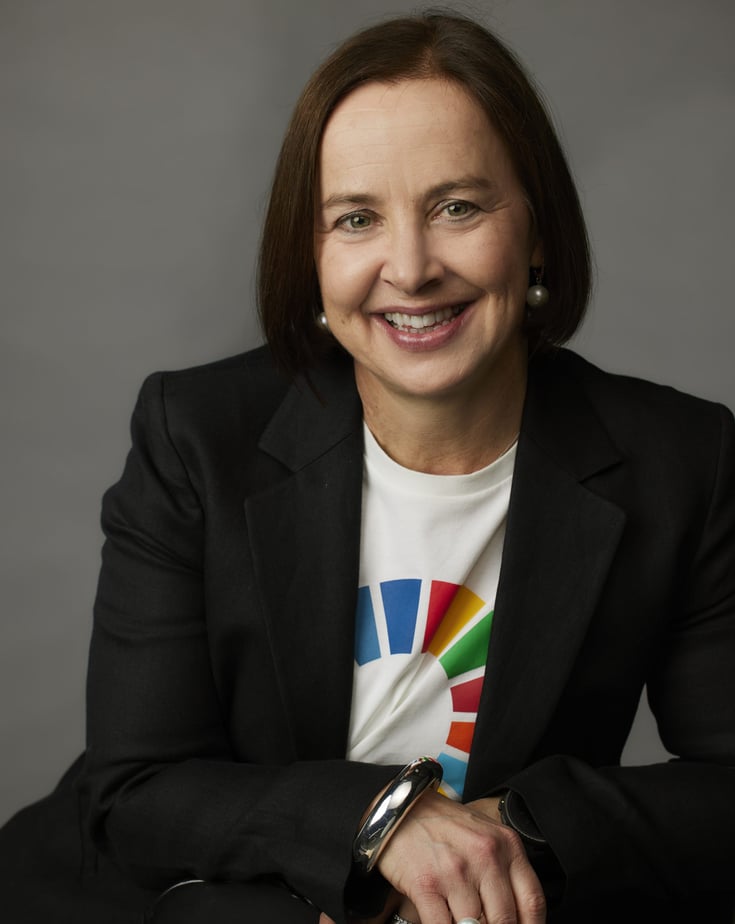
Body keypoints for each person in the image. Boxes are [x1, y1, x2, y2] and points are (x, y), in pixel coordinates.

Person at [1, 10, 734, 924]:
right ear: (310, 260)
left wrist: (512, 833)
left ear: (536, 230)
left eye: (457, 207)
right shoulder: (194, 435)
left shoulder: (680, 461)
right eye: (356, 219)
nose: (411, 266)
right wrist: (377, 824)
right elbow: (137, 791)